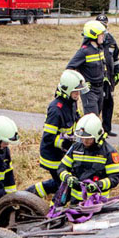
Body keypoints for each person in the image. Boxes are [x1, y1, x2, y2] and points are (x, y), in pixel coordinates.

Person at [27, 70, 87, 198]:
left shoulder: (71, 102)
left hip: (63, 152)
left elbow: (76, 120)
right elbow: (48, 138)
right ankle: (31, 195)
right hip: (52, 155)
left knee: (61, 183)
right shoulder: (56, 109)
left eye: (79, 91)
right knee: (62, 185)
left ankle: (30, 194)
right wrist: (64, 143)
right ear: (67, 90)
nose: (78, 94)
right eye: (75, 91)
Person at [56, 113, 119, 204]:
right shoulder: (76, 148)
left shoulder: (108, 152)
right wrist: (68, 177)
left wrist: (99, 185)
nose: (85, 141)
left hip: (98, 202)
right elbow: (61, 168)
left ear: (97, 135)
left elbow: (115, 178)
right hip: (76, 202)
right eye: (82, 138)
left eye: (88, 138)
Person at [66, 20, 106, 116]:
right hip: (89, 91)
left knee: (96, 118)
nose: (103, 36)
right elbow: (69, 69)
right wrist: (81, 83)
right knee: (92, 118)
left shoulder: (100, 49)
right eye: (101, 34)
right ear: (93, 35)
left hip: (100, 89)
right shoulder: (84, 52)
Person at [96, 13, 119, 137]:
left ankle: (107, 128)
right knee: (97, 104)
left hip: (109, 77)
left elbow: (116, 58)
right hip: (97, 78)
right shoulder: (93, 40)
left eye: (104, 25)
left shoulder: (111, 40)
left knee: (109, 103)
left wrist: (117, 72)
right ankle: (94, 129)